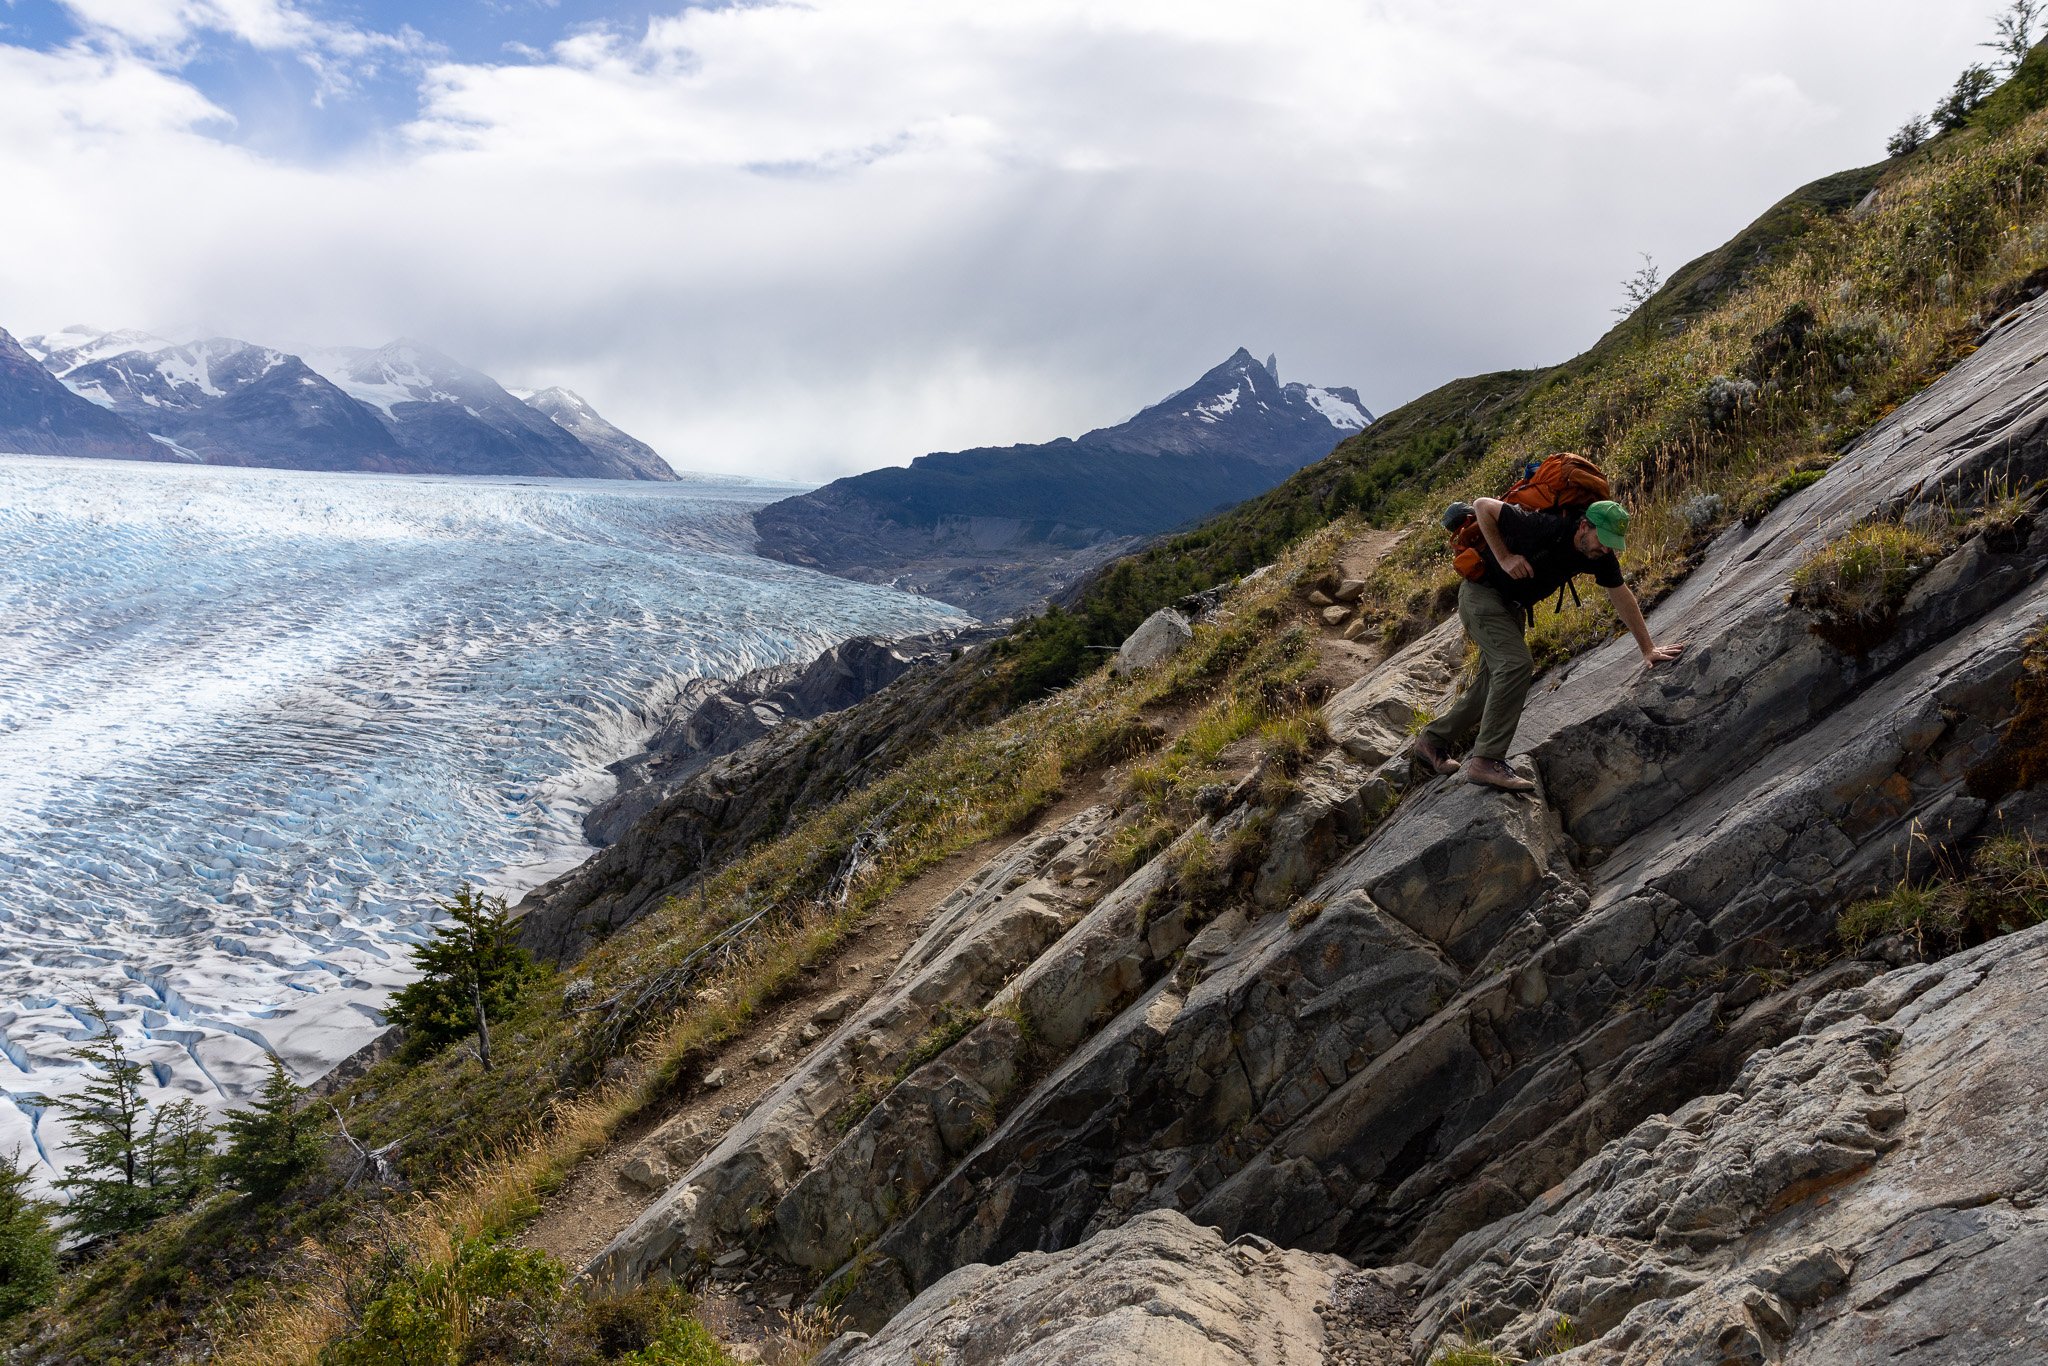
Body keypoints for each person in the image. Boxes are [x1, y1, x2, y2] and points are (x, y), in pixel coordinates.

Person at [1410, 496, 1683, 791]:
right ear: (1583, 526)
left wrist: (1648, 648)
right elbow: (1481, 506)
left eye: (1611, 543)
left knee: (1492, 681)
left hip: (1509, 606)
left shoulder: (1598, 555)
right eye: (1601, 540)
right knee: (1516, 665)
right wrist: (1504, 558)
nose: (1605, 548)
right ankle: (1486, 760)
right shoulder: (1544, 525)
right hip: (1482, 595)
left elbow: (1621, 595)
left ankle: (1432, 742)